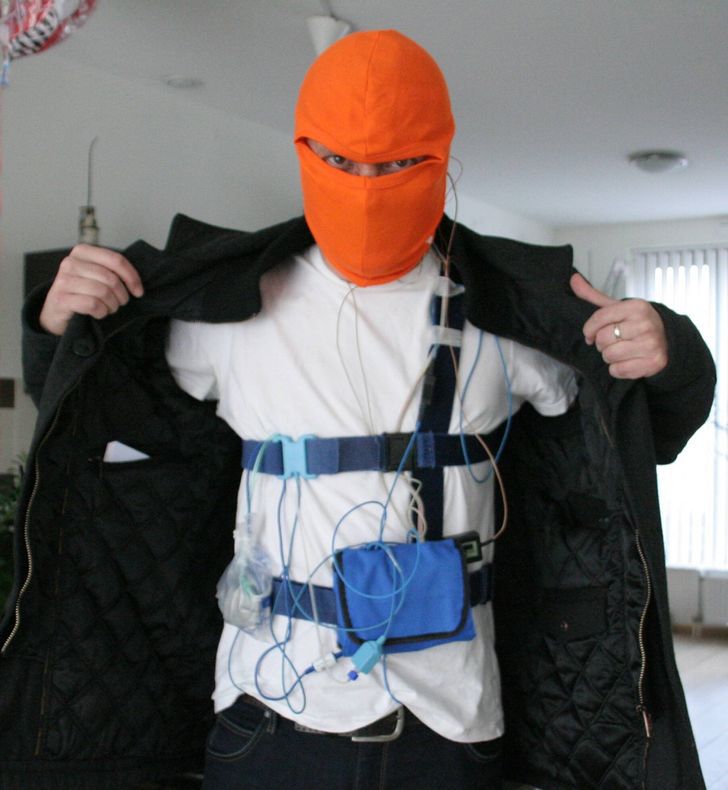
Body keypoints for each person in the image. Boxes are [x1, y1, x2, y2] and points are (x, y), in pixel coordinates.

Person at [0, 29, 715, 790]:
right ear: (305, 151)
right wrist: (56, 323)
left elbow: (640, 426)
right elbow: (88, 409)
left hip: (451, 722)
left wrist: (671, 350)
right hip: (271, 714)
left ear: (441, 158)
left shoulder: (510, 316)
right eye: (341, 161)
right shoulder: (228, 311)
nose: (368, 185)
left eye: (398, 163)